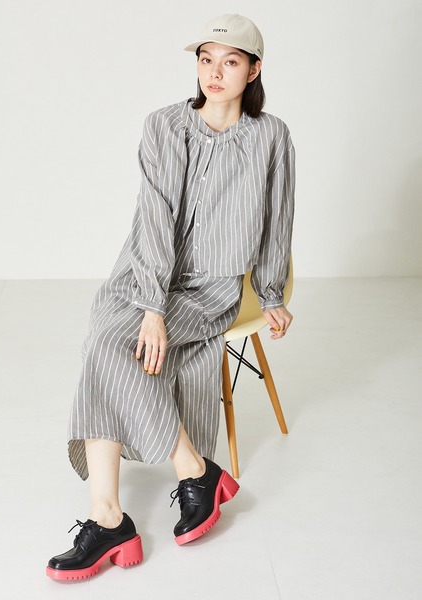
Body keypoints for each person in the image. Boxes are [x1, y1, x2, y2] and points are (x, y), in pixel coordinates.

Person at [46, 13, 295, 581]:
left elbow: (278, 218)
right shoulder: (163, 125)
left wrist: (271, 292)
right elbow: (154, 218)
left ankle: (112, 521)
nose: (214, 72)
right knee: (109, 339)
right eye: (206, 60)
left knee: (106, 347)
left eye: (230, 61)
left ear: (254, 70)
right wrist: (152, 307)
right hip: (143, 274)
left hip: (211, 288)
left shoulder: (272, 136)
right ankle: (189, 470)